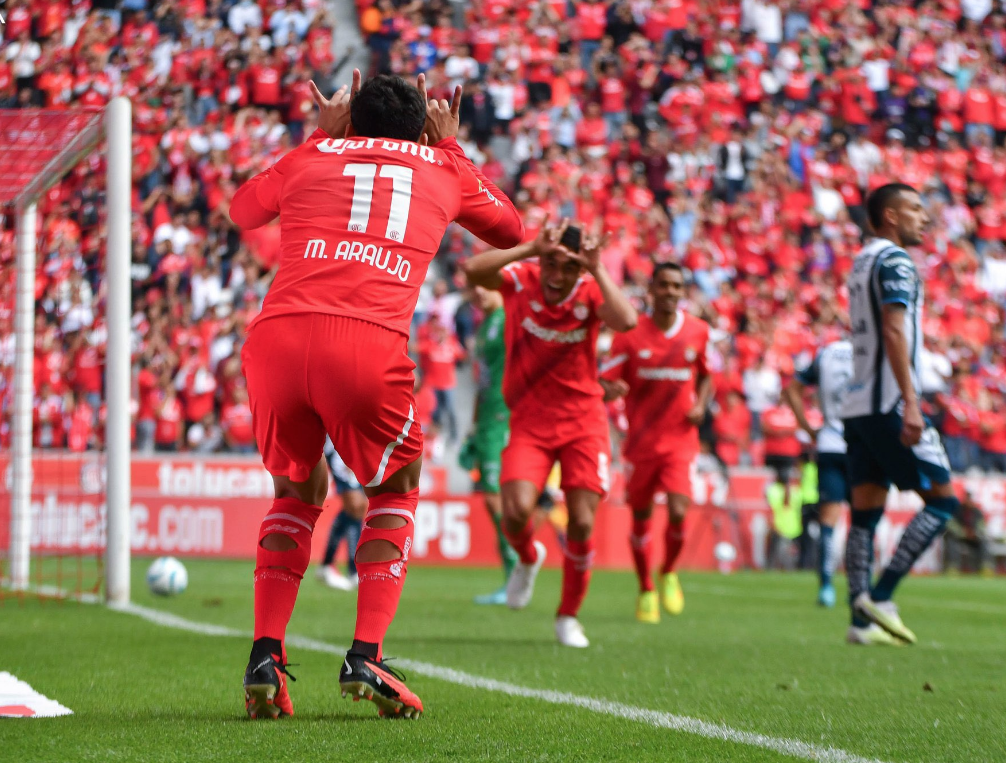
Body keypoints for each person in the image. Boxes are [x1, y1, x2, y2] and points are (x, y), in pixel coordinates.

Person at [229, 69, 524, 719]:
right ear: (423, 126)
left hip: (276, 339)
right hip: (364, 342)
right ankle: (366, 652)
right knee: (395, 486)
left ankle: (264, 654)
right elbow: (509, 229)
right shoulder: (439, 166)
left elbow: (242, 209)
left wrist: (318, 136)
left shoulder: (314, 155)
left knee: (297, 491)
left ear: (350, 120)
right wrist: (449, 147)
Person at [463, 221, 638, 648]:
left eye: (567, 268)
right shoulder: (522, 279)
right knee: (516, 513)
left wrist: (596, 270)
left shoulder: (591, 290)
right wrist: (527, 249)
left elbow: (628, 320)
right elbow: (473, 270)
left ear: (580, 270)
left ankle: (568, 616)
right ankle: (527, 557)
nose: (556, 276)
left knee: (580, 521)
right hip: (529, 420)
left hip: (583, 422)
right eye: (550, 263)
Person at [842, 183, 958, 647]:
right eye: (914, 209)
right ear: (889, 216)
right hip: (890, 401)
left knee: (866, 511)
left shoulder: (860, 261)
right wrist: (911, 401)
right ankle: (883, 597)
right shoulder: (895, 260)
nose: (923, 218)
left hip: (857, 406)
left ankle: (860, 621)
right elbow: (894, 327)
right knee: (944, 502)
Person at [599, 263, 712, 624]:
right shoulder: (630, 335)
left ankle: (669, 571)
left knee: (679, 510)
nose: (670, 291)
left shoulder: (698, 332)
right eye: (663, 285)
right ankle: (646, 587)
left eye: (677, 285)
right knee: (642, 517)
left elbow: (710, 375)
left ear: (683, 291)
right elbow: (604, 379)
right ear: (652, 289)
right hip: (641, 444)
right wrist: (610, 389)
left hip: (681, 441)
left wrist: (701, 404)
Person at [458, 285, 519, 605]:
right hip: (486, 419)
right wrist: (472, 425)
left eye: (484, 284)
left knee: (496, 496)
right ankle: (514, 569)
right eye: (473, 286)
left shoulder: (509, 317)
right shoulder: (485, 325)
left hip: (504, 414)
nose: (477, 291)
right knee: (491, 498)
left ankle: (517, 566)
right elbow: (482, 380)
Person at [783, 338, 853, 608]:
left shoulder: (827, 355)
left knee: (828, 519)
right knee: (862, 520)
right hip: (862, 445)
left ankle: (826, 587)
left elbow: (792, 390)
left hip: (830, 443)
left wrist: (809, 428)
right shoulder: (873, 348)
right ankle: (859, 587)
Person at [317, 439, 366, 591]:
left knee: (358, 507)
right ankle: (351, 569)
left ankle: (328, 566)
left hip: (353, 443)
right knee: (355, 504)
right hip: (339, 445)